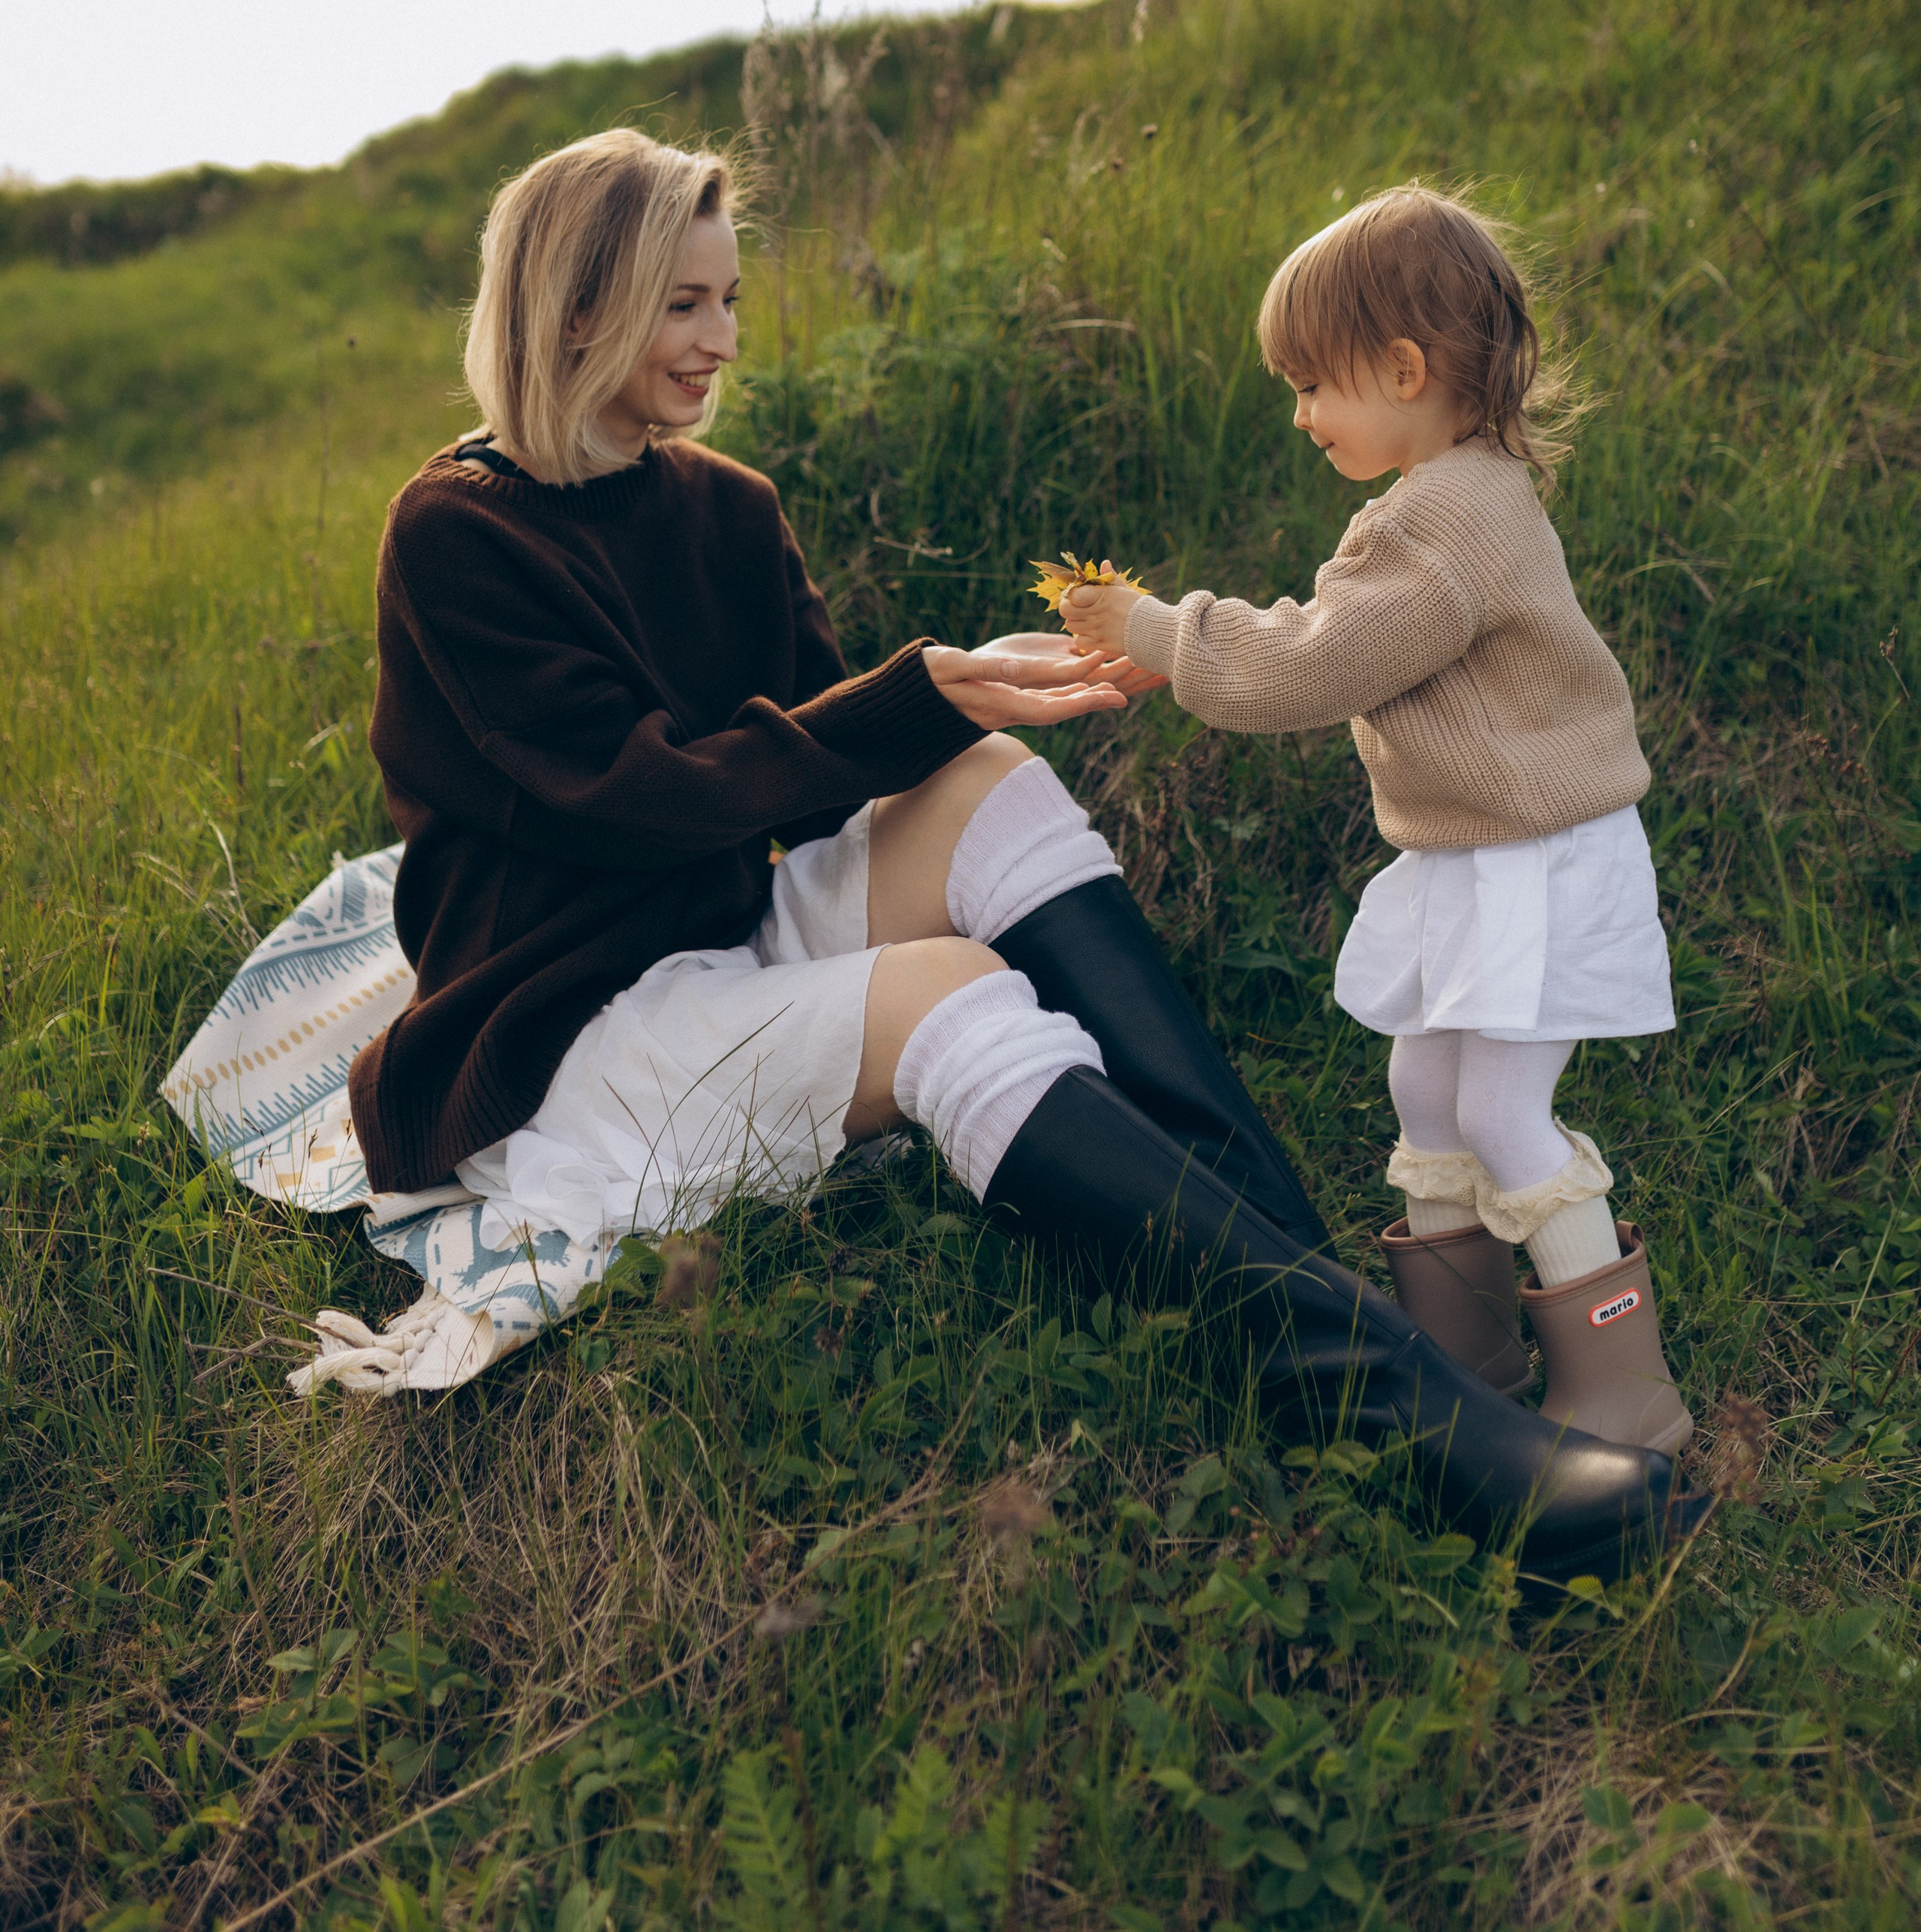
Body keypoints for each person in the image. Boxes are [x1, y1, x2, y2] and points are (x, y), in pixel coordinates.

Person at [355, 128, 1706, 1580]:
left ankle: (1330, 1300)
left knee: (990, 779)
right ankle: (1417, 1433)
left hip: (720, 927)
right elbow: (628, 796)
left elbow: (811, 785)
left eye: (729, 299)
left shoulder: (723, 506)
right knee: (945, 990)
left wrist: (941, 705)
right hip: (577, 1021)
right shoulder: (458, 533)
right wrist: (901, 697)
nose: (722, 341)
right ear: (573, 307)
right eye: (685, 305)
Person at [1060, 185, 1694, 1458]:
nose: (1298, 414)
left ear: (1405, 369)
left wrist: (1159, 630)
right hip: (1482, 854)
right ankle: (1469, 1356)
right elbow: (1330, 642)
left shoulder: (1447, 521)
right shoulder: (1451, 497)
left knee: (1509, 1114)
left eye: (1313, 383)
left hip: (1535, 863)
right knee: (1425, 1083)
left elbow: (1310, 663)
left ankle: (1628, 1394)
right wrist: (1182, 658)